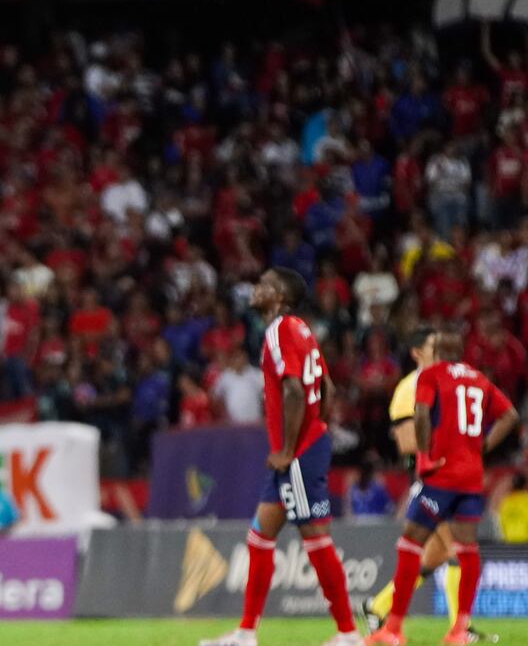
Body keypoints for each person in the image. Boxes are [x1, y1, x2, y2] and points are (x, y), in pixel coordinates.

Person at [202, 267, 361, 646]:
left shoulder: (279, 330)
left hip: (297, 453)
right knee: (260, 537)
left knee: (314, 536)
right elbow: (328, 387)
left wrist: (290, 448)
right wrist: (317, 430)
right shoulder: (302, 330)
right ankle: (245, 633)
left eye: (264, 285)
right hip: (305, 446)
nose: (255, 289)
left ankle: (349, 635)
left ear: (279, 297)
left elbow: (293, 390)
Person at [367, 330, 520, 645]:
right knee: (452, 551)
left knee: (427, 550)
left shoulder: (429, 378)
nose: (432, 351)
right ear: (417, 352)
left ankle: (387, 619)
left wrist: (430, 453)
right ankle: (457, 628)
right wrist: (477, 449)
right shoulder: (466, 379)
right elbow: (406, 440)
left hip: (437, 476)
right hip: (460, 478)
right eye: (427, 346)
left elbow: (416, 431)